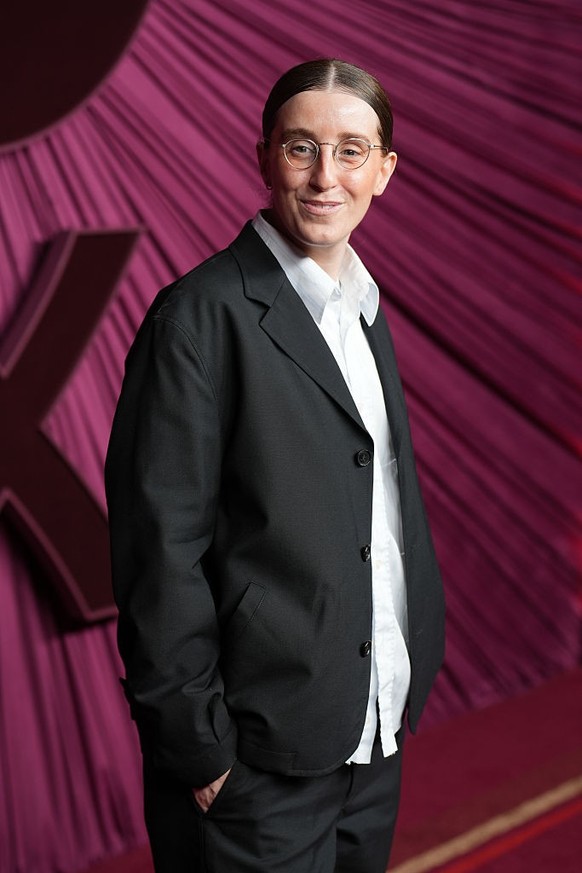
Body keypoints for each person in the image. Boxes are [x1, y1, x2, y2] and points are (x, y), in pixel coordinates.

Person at [105, 58, 445, 873]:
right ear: (265, 158)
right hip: (254, 760)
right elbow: (158, 550)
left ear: (385, 172)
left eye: (352, 151)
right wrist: (202, 753)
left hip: (371, 731)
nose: (326, 176)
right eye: (301, 149)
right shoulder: (197, 317)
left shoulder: (362, 306)